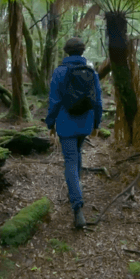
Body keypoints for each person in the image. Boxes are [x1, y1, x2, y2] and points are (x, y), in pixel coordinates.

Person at [45, 37, 102, 229]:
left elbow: (54, 101)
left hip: (65, 123)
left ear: (66, 52)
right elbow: (98, 101)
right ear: (82, 51)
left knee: (70, 160)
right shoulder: (91, 73)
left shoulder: (59, 72)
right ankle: (74, 189)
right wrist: (96, 124)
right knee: (77, 155)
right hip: (85, 123)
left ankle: (77, 207)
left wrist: (50, 123)